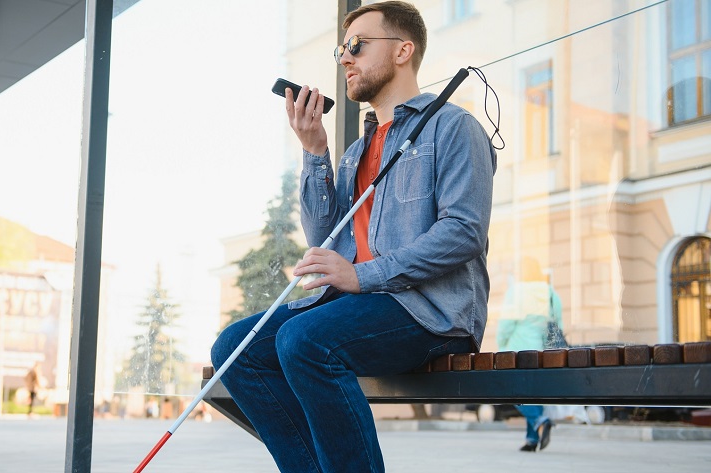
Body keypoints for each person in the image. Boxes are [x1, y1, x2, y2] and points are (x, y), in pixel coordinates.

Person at [210, 2, 496, 472]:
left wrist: (363, 275)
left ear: (403, 50)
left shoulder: (453, 127)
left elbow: (464, 231)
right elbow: (327, 238)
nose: (344, 58)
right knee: (235, 349)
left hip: (430, 311)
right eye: (342, 48)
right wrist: (315, 152)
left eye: (357, 46)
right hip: (358, 307)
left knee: (305, 339)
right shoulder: (356, 153)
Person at [497, 257, 562, 452]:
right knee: (533, 395)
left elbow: (506, 324)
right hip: (539, 352)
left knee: (512, 392)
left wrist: (501, 344)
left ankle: (540, 421)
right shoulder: (550, 293)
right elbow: (558, 325)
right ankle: (532, 440)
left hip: (516, 350)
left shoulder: (516, 291)